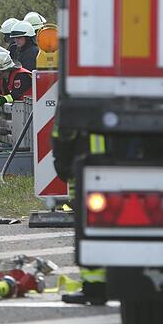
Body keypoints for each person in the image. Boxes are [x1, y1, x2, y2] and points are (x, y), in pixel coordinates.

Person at [51, 128, 110, 304]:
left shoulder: (81, 101)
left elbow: (63, 132)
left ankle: (95, 286)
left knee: (90, 228)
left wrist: (63, 166)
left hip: (87, 168)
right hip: (130, 166)